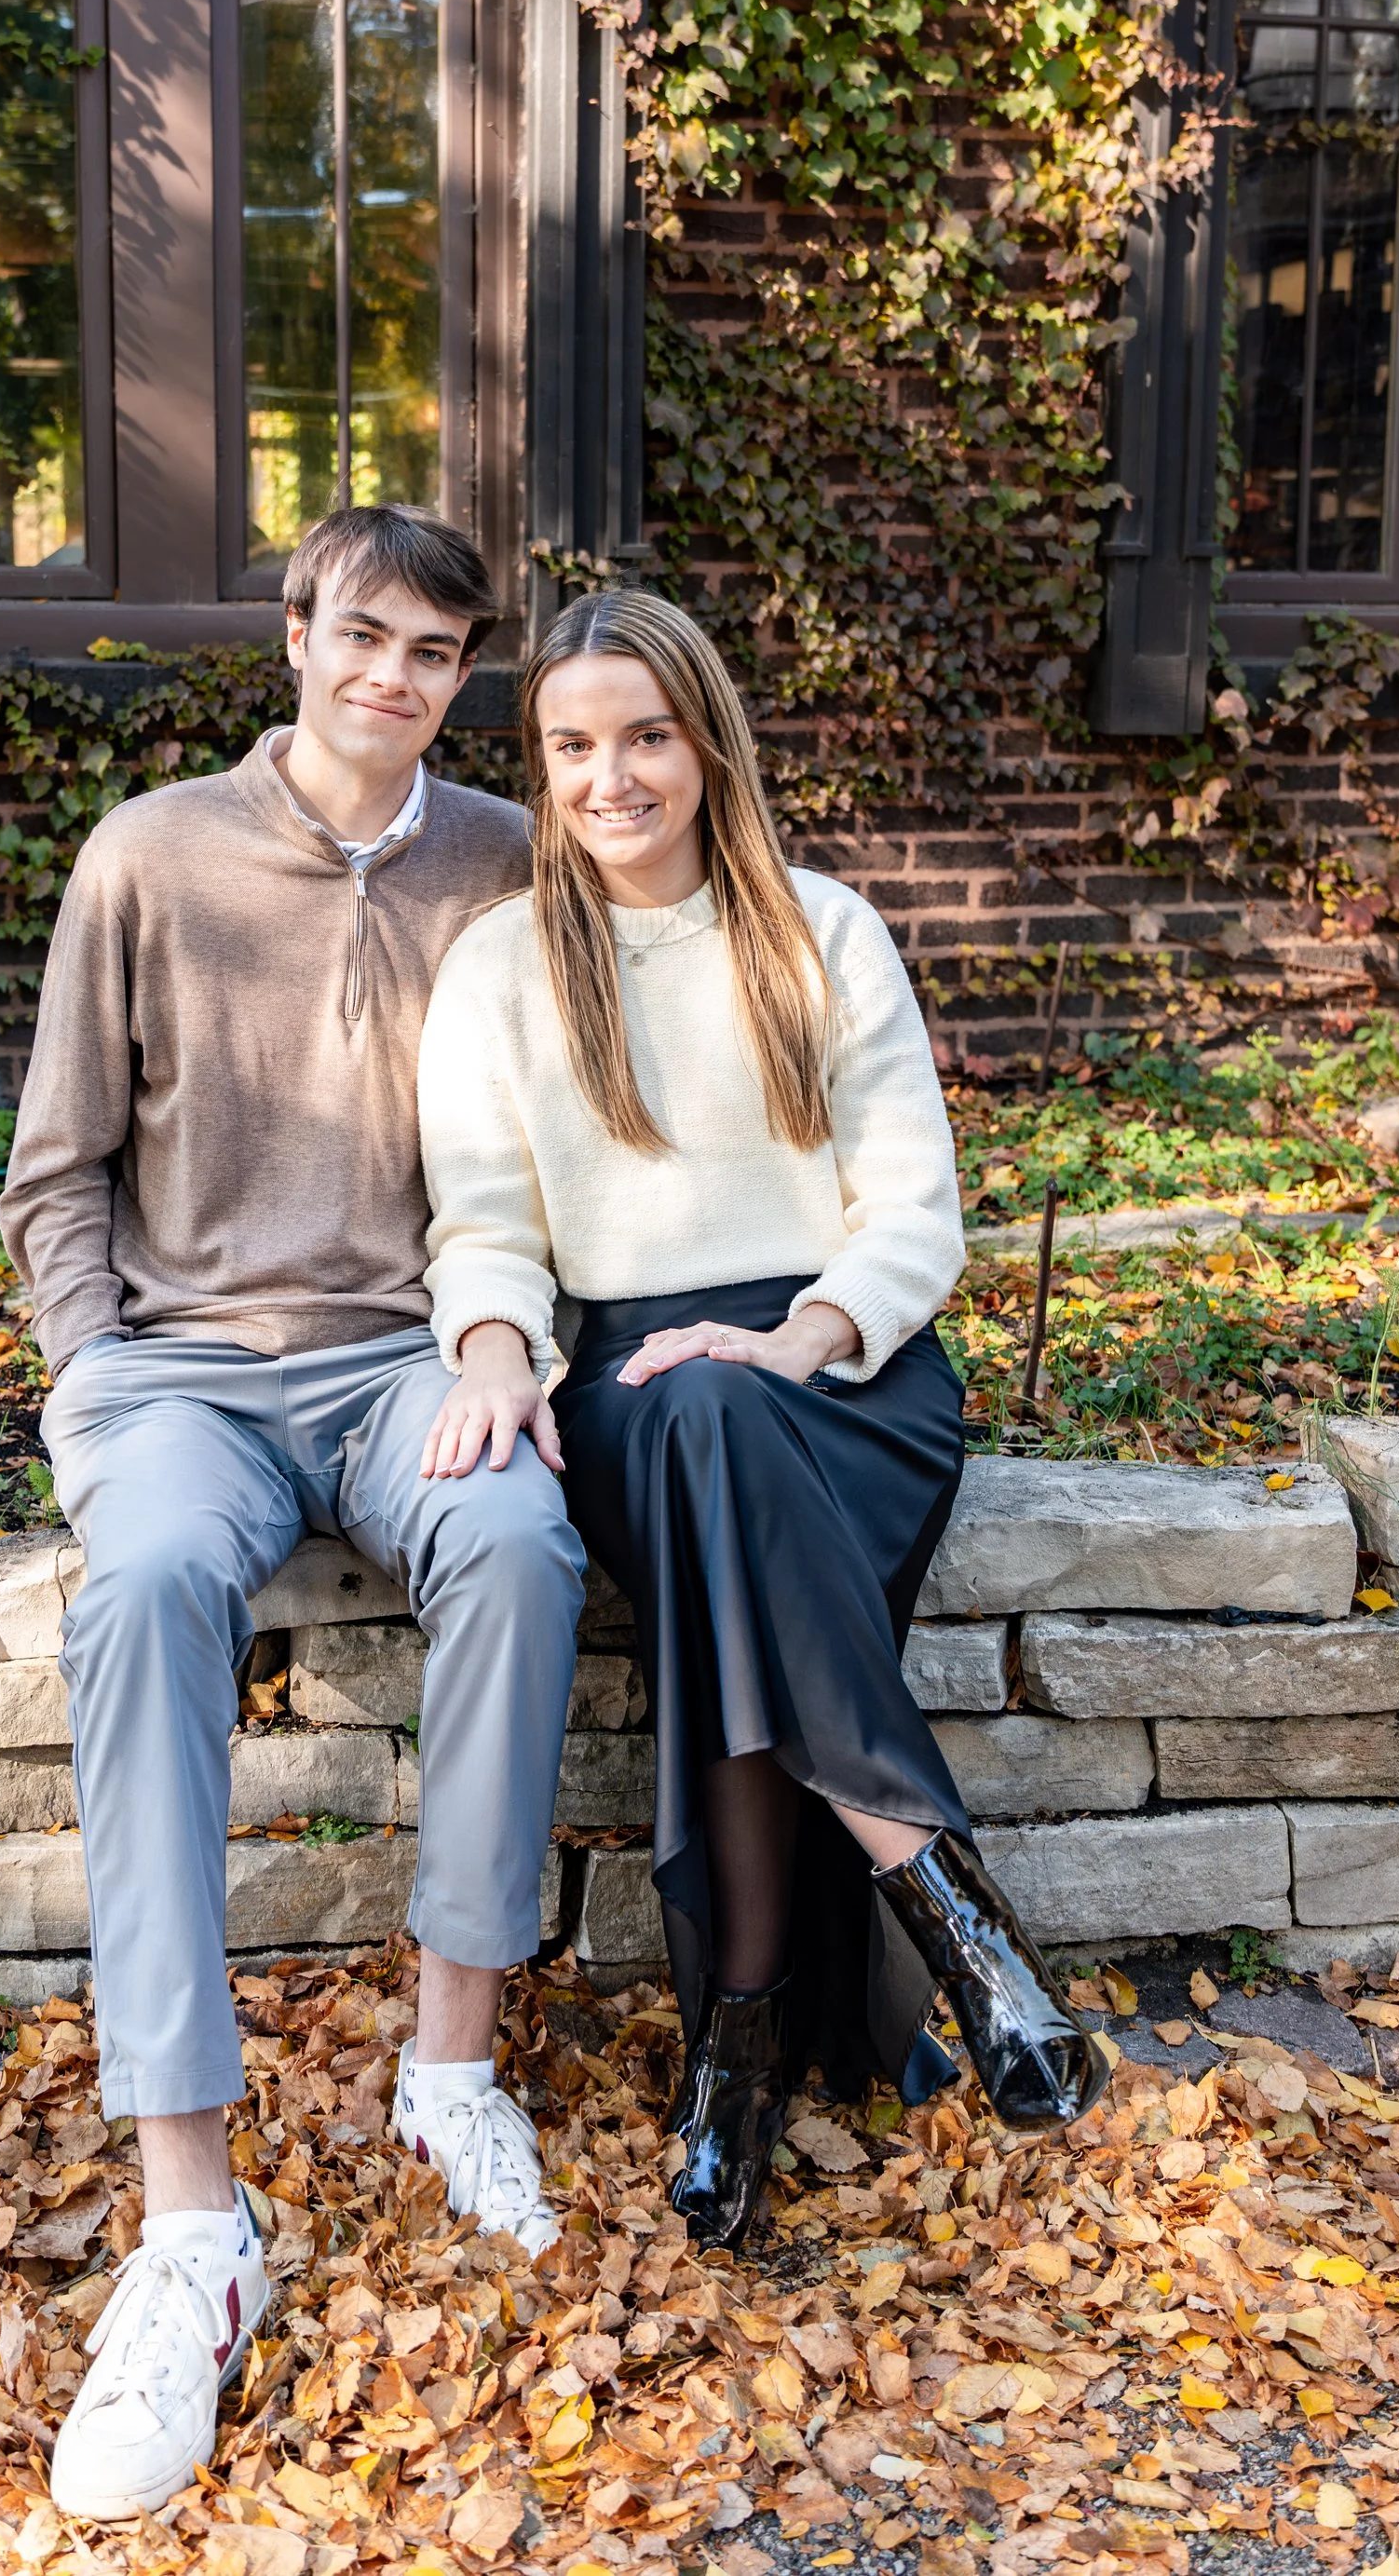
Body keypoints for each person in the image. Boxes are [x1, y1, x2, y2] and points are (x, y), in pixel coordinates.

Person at [0, 507, 587, 2520]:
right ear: (294, 635)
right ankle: (190, 2216)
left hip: (406, 1358)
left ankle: (452, 2069)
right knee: (146, 1580)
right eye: (364, 635)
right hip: (175, 1371)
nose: (393, 677)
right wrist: (91, 1370)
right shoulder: (147, 856)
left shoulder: (508, 855)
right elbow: (51, 1171)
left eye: (434, 652)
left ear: (458, 674)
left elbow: (572, 1119)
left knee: (517, 1542)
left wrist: (520, 1338)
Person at [414, 588, 1104, 2252]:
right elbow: (486, 1220)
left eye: (645, 737)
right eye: (572, 747)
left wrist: (801, 1342)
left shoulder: (820, 932)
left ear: (708, 744)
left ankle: (738, 2033)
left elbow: (912, 1214)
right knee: (699, 1416)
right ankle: (943, 1902)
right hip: (640, 1387)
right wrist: (499, 1344)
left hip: (846, 1370)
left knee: (729, 1442)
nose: (610, 779)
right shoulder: (503, 968)